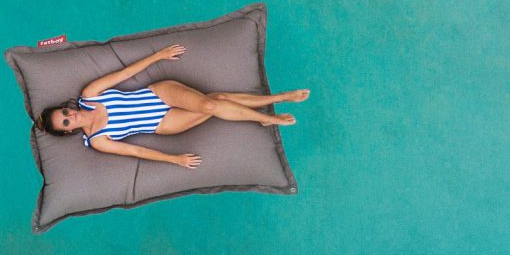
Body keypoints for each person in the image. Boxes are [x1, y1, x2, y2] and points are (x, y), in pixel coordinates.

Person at [34, 44, 309, 170]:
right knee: (217, 101)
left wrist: (158, 56)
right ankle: (272, 107)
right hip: (163, 124)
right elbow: (136, 150)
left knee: (213, 104)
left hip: (160, 94)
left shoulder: (89, 94)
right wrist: (173, 160)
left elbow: (124, 75)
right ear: (69, 132)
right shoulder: (97, 141)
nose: (72, 115)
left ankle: (273, 113)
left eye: (66, 112)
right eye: (67, 122)